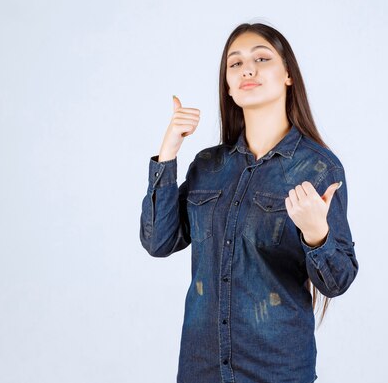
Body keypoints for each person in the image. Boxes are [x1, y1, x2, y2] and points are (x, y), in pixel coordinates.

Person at [140, 22, 358, 383]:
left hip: (276, 369)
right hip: (201, 368)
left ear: (288, 75)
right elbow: (158, 241)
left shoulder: (318, 168)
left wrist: (317, 234)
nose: (248, 69)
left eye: (261, 58)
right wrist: (168, 153)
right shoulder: (209, 166)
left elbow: (338, 281)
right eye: (235, 64)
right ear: (228, 85)